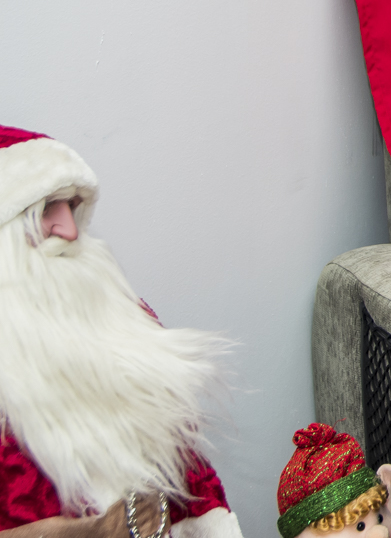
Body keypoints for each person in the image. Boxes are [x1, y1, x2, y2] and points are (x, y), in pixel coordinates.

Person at [0, 127, 242, 538]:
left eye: (70, 206)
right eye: (44, 209)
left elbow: (189, 478)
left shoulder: (125, 318)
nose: (70, 231)